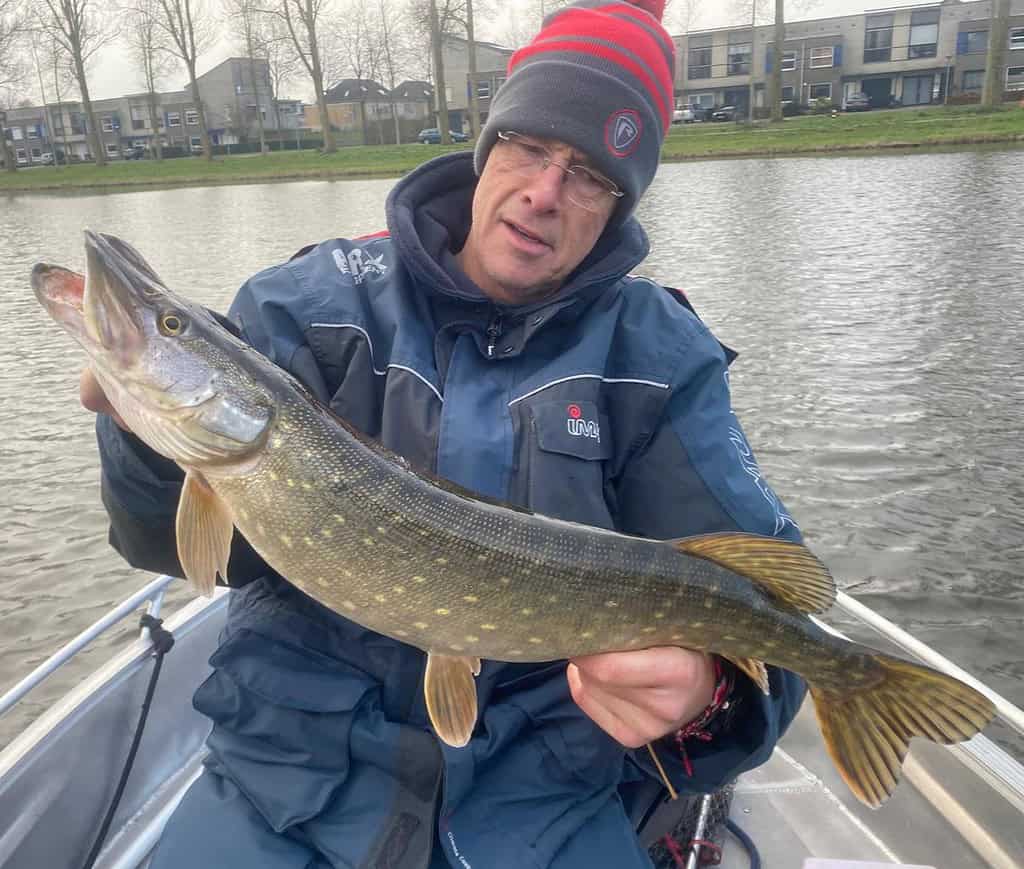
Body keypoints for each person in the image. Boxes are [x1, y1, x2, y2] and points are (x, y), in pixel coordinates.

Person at [82, 0, 806, 865]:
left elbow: (778, 616)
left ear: (619, 205)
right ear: (488, 142)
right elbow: (178, 545)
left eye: (589, 175)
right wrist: (145, 439)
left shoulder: (658, 360)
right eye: (531, 146)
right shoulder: (311, 307)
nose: (544, 192)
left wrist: (709, 694)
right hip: (283, 778)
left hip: (543, 803)